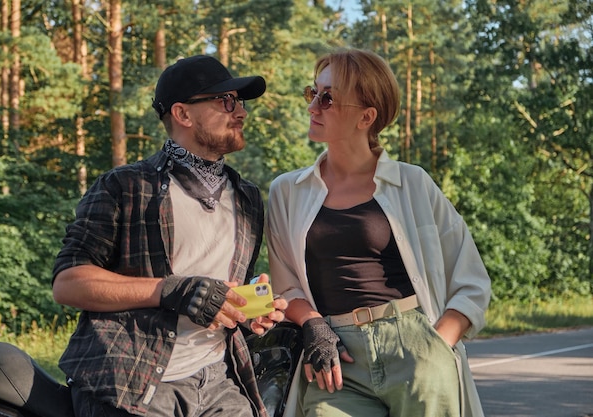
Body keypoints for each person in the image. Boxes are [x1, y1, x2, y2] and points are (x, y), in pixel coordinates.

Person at [52, 55, 287, 417]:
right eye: (226, 101)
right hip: (130, 379)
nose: (240, 112)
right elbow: (68, 284)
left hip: (220, 381)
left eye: (239, 102)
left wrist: (248, 312)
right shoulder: (125, 186)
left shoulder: (247, 197)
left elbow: (218, 293)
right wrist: (171, 290)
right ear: (183, 114)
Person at [266, 48, 491, 417]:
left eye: (328, 98)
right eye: (313, 93)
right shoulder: (287, 192)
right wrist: (313, 326)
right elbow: (285, 286)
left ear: (366, 117)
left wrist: (438, 345)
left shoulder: (412, 183)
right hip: (336, 358)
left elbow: (471, 281)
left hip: (415, 347)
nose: (313, 107)